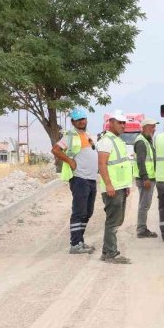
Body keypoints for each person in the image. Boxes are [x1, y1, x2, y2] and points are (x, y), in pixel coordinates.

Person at [52, 108, 98, 254]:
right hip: (80, 179)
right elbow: (56, 150)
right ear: (73, 122)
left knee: (88, 212)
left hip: (91, 178)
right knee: (79, 211)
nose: (81, 122)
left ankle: (80, 241)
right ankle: (75, 244)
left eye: (83, 119)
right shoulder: (70, 136)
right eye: (78, 120)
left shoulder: (87, 135)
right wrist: (70, 161)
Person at [97, 111, 133, 264]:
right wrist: (109, 184)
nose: (123, 125)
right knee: (113, 221)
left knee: (116, 220)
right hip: (113, 187)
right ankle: (111, 254)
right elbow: (102, 164)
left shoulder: (117, 140)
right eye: (120, 122)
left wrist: (126, 185)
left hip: (120, 186)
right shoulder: (106, 141)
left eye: (124, 123)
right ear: (111, 122)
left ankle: (107, 252)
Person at [132, 118, 158, 238]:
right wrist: (145, 178)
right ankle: (141, 229)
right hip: (145, 179)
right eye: (152, 126)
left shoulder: (146, 140)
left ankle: (142, 228)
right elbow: (140, 162)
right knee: (144, 204)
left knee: (145, 204)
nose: (154, 129)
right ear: (146, 127)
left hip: (148, 178)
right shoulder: (141, 142)